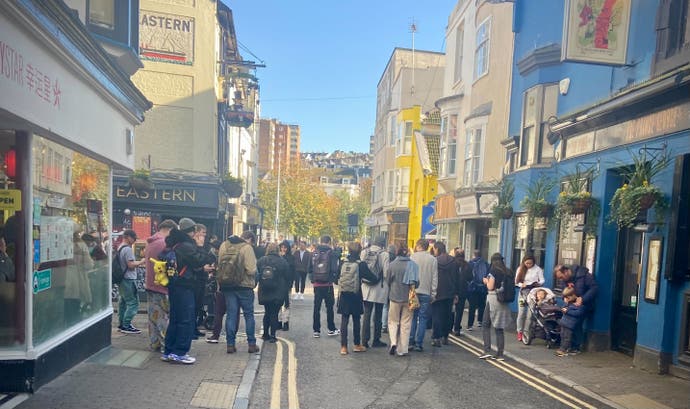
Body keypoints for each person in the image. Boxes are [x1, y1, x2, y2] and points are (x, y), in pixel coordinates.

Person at [162, 218, 215, 364]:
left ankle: (169, 351)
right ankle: (180, 352)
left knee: (175, 319)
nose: (196, 235)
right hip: (184, 286)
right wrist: (200, 247)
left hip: (174, 285)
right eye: (194, 232)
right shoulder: (186, 246)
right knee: (186, 319)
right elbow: (200, 260)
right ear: (190, 232)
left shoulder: (174, 243)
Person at [216, 230, 260, 354]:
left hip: (228, 286)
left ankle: (230, 344)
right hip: (245, 286)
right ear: (250, 240)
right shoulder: (247, 248)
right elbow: (251, 270)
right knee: (248, 315)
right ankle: (251, 344)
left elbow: (220, 265)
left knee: (231, 315)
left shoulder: (224, 245)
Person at [337, 241, 378, 355]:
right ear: (360, 251)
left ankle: (343, 347)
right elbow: (373, 278)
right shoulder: (361, 264)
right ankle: (356, 344)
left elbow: (336, 278)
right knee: (356, 320)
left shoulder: (342, 262)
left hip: (344, 294)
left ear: (349, 250)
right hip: (356, 294)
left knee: (344, 320)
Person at [143, 219, 176, 352]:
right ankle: (165, 345)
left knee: (153, 317)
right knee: (163, 317)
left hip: (150, 284)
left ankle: (154, 342)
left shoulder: (150, 243)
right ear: (170, 230)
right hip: (162, 286)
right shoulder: (164, 244)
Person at [554, 264, 599, 354]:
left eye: (561, 277)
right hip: (571, 305)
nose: (561, 280)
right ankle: (570, 346)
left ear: (566, 272)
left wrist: (583, 298)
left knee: (575, 325)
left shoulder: (584, 275)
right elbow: (564, 291)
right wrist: (565, 298)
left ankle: (574, 347)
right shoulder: (565, 280)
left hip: (583, 305)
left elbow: (594, 288)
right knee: (568, 324)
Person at [479, 253, 512, 361]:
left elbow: (490, 286)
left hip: (493, 299)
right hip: (504, 301)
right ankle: (500, 354)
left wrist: (485, 281)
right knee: (499, 327)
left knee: (485, 324)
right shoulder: (508, 271)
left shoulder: (493, 271)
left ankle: (487, 350)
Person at [387, 245, 418, 357]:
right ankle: (402, 349)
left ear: (397, 253)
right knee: (406, 323)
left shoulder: (392, 265)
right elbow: (416, 283)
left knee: (393, 321)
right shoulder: (413, 265)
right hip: (408, 298)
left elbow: (388, 280)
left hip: (395, 297)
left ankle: (393, 343)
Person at [360, 236, 390, 348]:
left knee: (367, 314)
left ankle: (364, 340)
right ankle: (376, 340)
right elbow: (386, 273)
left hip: (366, 287)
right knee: (378, 314)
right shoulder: (385, 254)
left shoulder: (364, 252)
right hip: (380, 288)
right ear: (382, 243)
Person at [409, 239, 437, 352]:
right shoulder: (433, 259)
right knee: (423, 318)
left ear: (418, 246)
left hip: (413, 292)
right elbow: (435, 278)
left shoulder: (412, 257)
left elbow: (409, 275)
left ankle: (410, 341)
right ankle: (419, 344)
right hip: (426, 292)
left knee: (413, 317)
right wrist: (433, 293)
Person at [257, 243, 289, 343]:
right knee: (274, 313)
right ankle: (273, 335)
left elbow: (257, 273)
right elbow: (287, 277)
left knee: (267, 312)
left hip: (265, 290)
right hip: (278, 291)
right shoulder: (282, 261)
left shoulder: (261, 260)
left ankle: (265, 334)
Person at [310, 235, 340, 338]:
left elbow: (310, 268)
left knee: (316, 307)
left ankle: (316, 331)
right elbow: (335, 269)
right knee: (329, 307)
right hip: (327, 285)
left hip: (317, 284)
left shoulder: (314, 252)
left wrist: (313, 279)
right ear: (329, 242)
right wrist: (334, 280)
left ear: (321, 241)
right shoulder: (331, 253)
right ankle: (331, 329)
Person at [117, 230, 145, 334]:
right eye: (134, 238)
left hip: (122, 279)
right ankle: (126, 325)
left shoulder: (120, 247)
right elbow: (131, 265)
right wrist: (142, 261)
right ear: (128, 237)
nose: (134, 240)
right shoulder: (128, 249)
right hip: (128, 279)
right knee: (133, 303)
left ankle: (121, 324)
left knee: (123, 302)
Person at [430, 242, 458, 346]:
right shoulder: (453, 261)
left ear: (437, 249)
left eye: (434, 249)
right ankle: (445, 337)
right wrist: (456, 293)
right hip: (450, 292)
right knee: (447, 315)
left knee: (437, 315)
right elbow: (456, 278)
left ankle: (436, 337)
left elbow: (432, 277)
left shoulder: (435, 261)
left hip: (438, 292)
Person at [515, 255, 545, 342]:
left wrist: (539, 283)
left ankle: (526, 332)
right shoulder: (520, 268)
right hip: (522, 294)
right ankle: (519, 332)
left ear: (533, 262)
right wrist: (521, 285)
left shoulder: (538, 269)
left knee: (530, 314)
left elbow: (542, 280)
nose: (528, 265)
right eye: (526, 263)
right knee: (521, 313)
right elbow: (516, 282)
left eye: (530, 263)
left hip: (533, 294)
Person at [555, 287, 587, 357]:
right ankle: (564, 348)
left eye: (568, 297)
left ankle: (564, 349)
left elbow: (578, 313)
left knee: (567, 337)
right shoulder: (568, 303)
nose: (567, 299)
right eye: (565, 297)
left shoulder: (580, 305)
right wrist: (565, 305)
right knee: (563, 336)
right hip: (564, 323)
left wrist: (567, 311)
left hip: (571, 324)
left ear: (573, 295)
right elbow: (563, 309)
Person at [467, 250, 490, 331]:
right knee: (482, 305)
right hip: (483, 288)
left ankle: (470, 325)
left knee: (472, 307)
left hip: (473, 288)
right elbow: (488, 275)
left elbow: (468, 275)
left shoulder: (470, 263)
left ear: (474, 255)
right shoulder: (486, 263)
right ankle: (480, 321)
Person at [452, 248, 473, 336]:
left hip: (452, 290)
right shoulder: (467, 265)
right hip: (463, 291)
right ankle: (457, 328)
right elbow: (470, 278)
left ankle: (449, 327)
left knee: (451, 310)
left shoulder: (452, 263)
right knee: (459, 311)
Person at [278, 240, 295, 330]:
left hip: (287, 285)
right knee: (278, 303)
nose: (283, 249)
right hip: (278, 285)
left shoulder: (291, 258)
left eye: (285, 248)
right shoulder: (277, 257)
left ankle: (286, 322)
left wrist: (290, 284)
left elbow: (292, 272)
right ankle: (279, 321)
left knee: (287, 304)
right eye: (282, 247)